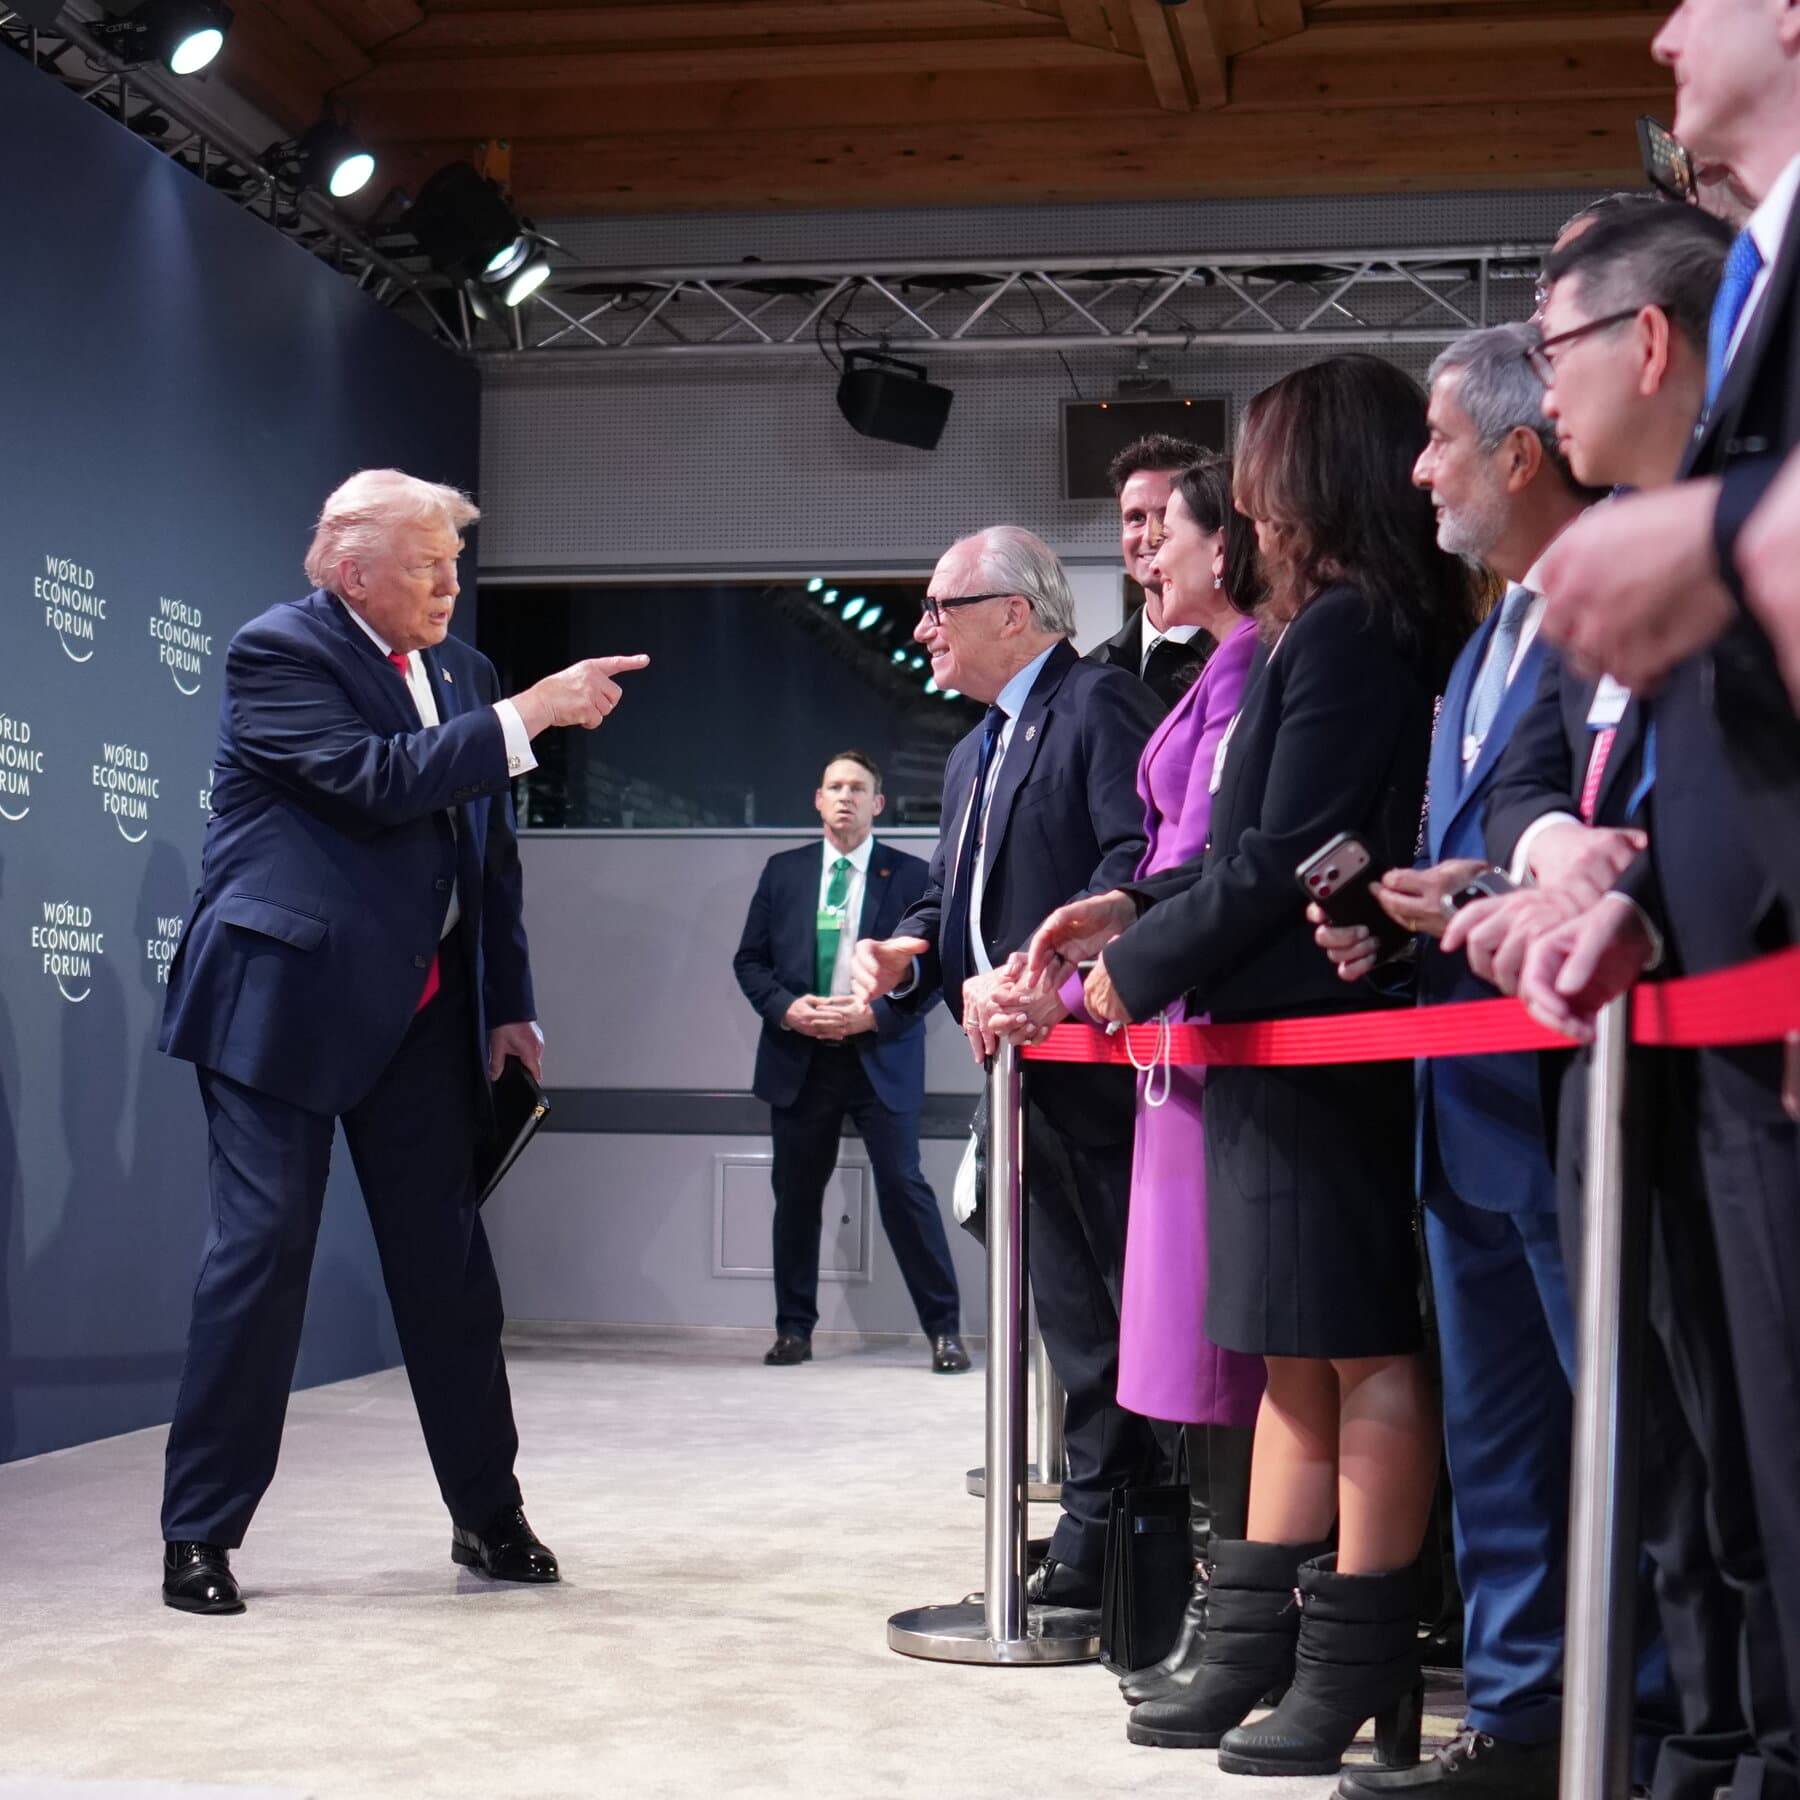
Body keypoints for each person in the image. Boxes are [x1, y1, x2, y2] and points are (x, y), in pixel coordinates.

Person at [1028, 355, 1478, 1776]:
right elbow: (1240, 859)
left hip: (1322, 1040)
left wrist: (1136, 964)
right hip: (1272, 1030)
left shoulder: (1346, 632)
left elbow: (1277, 863)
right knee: (1296, 1348)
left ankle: (1345, 1666)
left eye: (1268, 464)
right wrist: (1139, 913)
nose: (1251, 497)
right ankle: (1257, 1648)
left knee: (1355, 1346)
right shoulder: (1322, 631)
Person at [157, 469, 650, 1614]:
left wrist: (507, 1002)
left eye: (455, 561)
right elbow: (375, 783)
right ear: (350, 567)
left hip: (428, 1013)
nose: (449, 583)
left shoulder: (466, 674)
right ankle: (200, 1534)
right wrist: (532, 715)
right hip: (279, 1002)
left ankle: (490, 1519)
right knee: (261, 1257)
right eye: (427, 563)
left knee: (449, 1273)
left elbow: (489, 860)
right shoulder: (277, 653)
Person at [1446, 208, 1800, 1800]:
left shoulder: (1708, 540)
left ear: (1648, 344)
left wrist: (1630, 886)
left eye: (1551, 346)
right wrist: (1577, 869)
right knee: (1671, 1460)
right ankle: (1706, 1747)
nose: (1543, 387)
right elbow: (1544, 780)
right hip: (1629, 1043)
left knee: (1754, 1456)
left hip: (1744, 1036)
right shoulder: (1623, 558)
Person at [1311, 325, 1664, 1799]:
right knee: (1507, 1447)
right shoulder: (1482, 643)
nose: (1418, 469)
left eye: (1440, 439)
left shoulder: (1609, 616)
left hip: (1581, 1101)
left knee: (1627, 1444)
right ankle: (1520, 1726)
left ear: (1521, 452)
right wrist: (1404, 920)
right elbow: (1482, 851)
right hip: (1461, 1099)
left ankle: (1638, 1724)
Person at [851, 526, 1163, 1607]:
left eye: (944, 605)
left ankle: (1116, 1538)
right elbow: (959, 902)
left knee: (1115, 1312)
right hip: (1016, 1076)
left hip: (1097, 1067)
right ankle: (1088, 1529)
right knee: (1067, 1314)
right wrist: (908, 949)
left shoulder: (1099, 705)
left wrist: (1057, 976)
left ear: (1016, 615)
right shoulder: (973, 747)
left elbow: (1134, 865)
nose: (924, 627)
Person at [1019, 457, 1265, 1707]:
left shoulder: (1259, 665)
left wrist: (1112, 966)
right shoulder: (1179, 673)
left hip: (1211, 1023)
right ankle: (1209, 1603)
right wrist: (1089, 965)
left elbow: (1233, 861)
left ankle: (1238, 1615)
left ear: (1231, 541)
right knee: (1174, 1340)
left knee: (1237, 1342)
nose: (1143, 550)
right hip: (1163, 1019)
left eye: (1163, 527)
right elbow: (1169, 865)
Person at [1528, 0, 1800, 923]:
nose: (1664, 38)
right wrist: (1638, 915)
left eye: (1694, 2)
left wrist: (1720, 530)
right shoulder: (1761, 273)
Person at [731, 751, 968, 1374]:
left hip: (879, 1057)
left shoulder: (913, 875)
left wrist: (878, 1016)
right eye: (834, 786)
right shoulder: (783, 873)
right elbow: (749, 963)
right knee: (797, 1198)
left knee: (905, 1192)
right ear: (818, 799)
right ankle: (793, 1332)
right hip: (800, 1057)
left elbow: (932, 974)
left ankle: (945, 1332)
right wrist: (789, 1009)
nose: (845, 797)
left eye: (857, 788)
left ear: (877, 804)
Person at [1085, 432, 1214, 708]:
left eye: (1167, 515)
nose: (1150, 536)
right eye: (1136, 518)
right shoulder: (1091, 672)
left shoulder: (1254, 654)